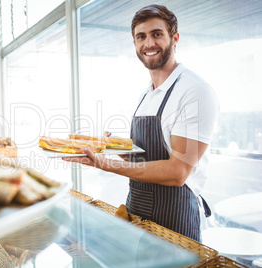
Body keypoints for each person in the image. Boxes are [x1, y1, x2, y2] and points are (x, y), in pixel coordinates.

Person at [63, 4, 219, 242]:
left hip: (176, 222)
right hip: (137, 214)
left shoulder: (195, 91)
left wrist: (108, 165)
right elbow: (145, 158)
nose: (149, 44)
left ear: (174, 38)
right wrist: (114, 148)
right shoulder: (146, 95)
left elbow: (178, 172)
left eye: (157, 34)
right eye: (141, 37)